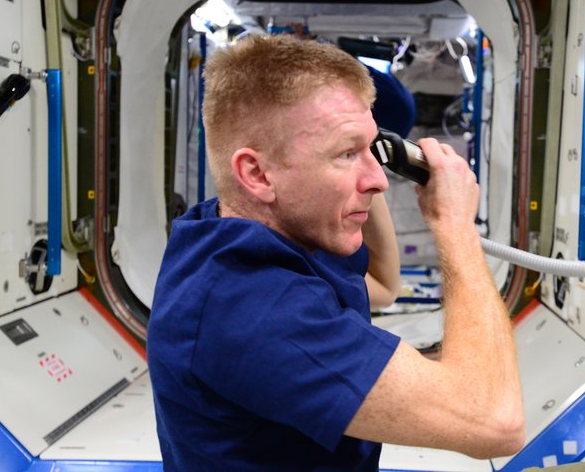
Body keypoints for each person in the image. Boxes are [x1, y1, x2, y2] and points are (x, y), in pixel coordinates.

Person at [147, 34, 525, 471]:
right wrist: (455, 227)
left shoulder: (243, 228)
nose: (380, 181)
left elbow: (382, 285)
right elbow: (496, 422)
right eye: (345, 153)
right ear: (256, 173)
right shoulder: (255, 309)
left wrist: (358, 153)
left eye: (371, 148)